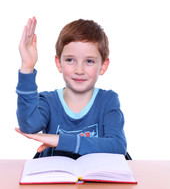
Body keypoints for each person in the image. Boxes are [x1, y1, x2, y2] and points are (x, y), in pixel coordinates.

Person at [15, 17, 127, 159]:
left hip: (96, 179)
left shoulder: (108, 100)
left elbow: (117, 146)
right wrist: (27, 67)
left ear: (103, 66)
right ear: (59, 63)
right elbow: (29, 126)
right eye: (70, 60)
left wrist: (59, 140)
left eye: (89, 61)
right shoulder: (48, 101)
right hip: (55, 177)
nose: (79, 70)